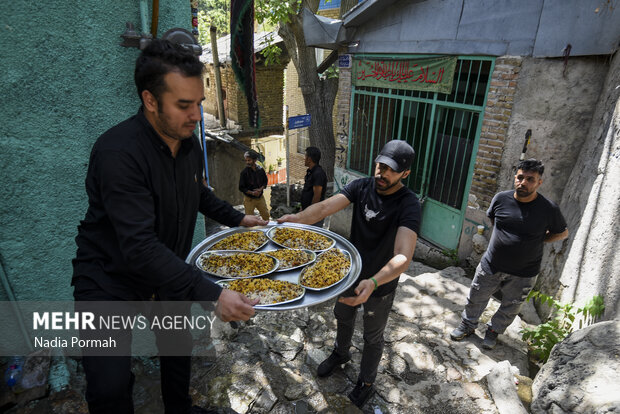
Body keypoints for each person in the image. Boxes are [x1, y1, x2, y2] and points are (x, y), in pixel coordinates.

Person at [71, 39, 267, 414]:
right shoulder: (118, 154)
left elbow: (199, 195)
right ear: (149, 100)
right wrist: (213, 294)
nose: (196, 115)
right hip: (109, 277)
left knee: (177, 348)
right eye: (183, 105)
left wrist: (239, 218)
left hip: (165, 273)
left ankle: (180, 408)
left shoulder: (188, 145)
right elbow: (140, 246)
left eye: (197, 102)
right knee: (109, 387)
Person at [278, 140, 421, 408]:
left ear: (405, 174)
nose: (382, 173)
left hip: (380, 284)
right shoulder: (362, 186)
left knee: (372, 336)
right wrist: (296, 219)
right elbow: (323, 207)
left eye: (390, 169)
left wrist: (375, 280)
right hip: (349, 274)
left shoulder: (409, 204)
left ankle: (366, 382)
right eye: (380, 165)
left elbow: (403, 255)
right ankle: (340, 354)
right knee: (342, 316)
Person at [450, 159, 568, 350]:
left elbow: (563, 232)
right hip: (491, 264)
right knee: (476, 297)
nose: (524, 182)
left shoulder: (548, 209)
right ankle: (467, 325)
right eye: (520, 177)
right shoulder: (501, 199)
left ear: (539, 182)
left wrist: (540, 239)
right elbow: (493, 219)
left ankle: (493, 332)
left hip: (525, 272)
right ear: (515, 178)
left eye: (530, 179)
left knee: (510, 307)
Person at [300, 146, 328, 227]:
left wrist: (310, 213)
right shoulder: (310, 172)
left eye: (305, 156)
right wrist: (303, 208)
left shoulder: (318, 173)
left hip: (314, 214)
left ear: (309, 159)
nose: (304, 159)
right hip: (307, 211)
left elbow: (317, 196)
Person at [239, 150, 270, 221]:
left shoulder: (261, 170)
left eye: (249, 160)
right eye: (246, 160)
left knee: (266, 215)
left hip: (260, 198)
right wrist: (252, 193)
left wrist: (260, 189)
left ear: (255, 160)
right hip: (249, 200)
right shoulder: (244, 173)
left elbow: (265, 181)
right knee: (249, 219)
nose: (247, 162)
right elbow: (241, 187)